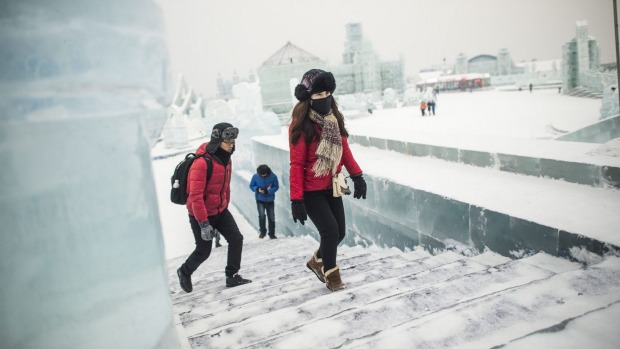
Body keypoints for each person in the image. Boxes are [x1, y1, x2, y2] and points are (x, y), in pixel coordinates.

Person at [289, 69, 367, 292]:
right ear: (308, 98)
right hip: (311, 190)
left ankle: (316, 261)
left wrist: (357, 176)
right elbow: (295, 164)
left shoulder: (334, 119)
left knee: (340, 232)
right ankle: (332, 276)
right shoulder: (301, 125)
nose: (324, 99)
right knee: (330, 232)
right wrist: (296, 199)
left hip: (332, 184)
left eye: (327, 93)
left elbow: (344, 151)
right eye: (318, 95)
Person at [176, 122, 252, 293]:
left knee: (236, 238)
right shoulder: (201, 163)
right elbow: (195, 196)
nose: (232, 145)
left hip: (220, 210)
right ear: (217, 140)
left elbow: (225, 187)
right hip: (200, 214)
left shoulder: (227, 160)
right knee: (204, 251)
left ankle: (232, 276)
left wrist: (224, 205)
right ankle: (184, 271)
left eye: (233, 142)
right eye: (228, 142)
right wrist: (203, 223)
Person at [249, 164, 279, 239]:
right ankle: (262, 232)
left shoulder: (273, 176)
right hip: (260, 199)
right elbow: (251, 185)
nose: (263, 175)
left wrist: (268, 192)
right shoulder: (255, 176)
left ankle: (271, 234)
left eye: (264, 174)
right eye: (261, 174)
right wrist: (257, 189)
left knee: (271, 217)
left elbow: (276, 186)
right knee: (261, 216)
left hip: (270, 199)